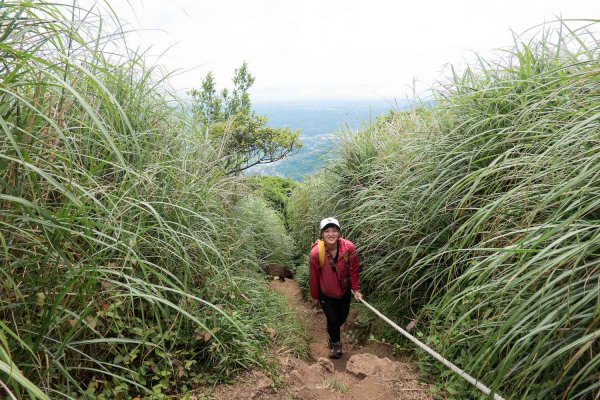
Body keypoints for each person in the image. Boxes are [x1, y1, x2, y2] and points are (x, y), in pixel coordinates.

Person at [309, 217, 362, 359]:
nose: (331, 234)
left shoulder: (349, 248)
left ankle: (332, 331)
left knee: (342, 317)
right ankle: (335, 344)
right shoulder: (316, 254)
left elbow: (354, 269)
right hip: (326, 293)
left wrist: (356, 290)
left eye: (334, 230)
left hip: (344, 291)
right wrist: (315, 296)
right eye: (327, 231)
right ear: (321, 235)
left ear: (339, 233)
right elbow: (314, 276)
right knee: (333, 319)